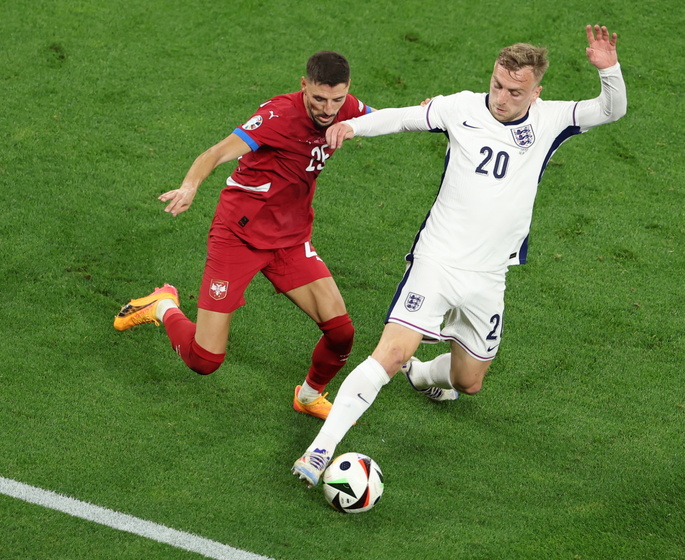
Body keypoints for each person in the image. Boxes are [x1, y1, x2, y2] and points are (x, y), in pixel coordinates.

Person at [292, 25, 627, 486]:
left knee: (469, 381)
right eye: (497, 85)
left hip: (490, 276)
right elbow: (404, 117)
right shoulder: (462, 108)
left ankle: (424, 374)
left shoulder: (552, 119)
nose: (501, 97)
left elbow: (613, 109)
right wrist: (351, 126)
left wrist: (608, 68)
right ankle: (318, 452)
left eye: (514, 91)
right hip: (438, 261)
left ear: (535, 92)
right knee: (389, 353)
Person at [114, 51, 372, 420]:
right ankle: (162, 306)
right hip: (239, 238)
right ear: (304, 86)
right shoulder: (277, 117)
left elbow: (384, 120)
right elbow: (217, 152)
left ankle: (310, 395)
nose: (328, 110)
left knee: (342, 333)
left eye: (337, 99)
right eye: (319, 99)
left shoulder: (344, 107)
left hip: (290, 240)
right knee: (204, 360)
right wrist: (189, 186)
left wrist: (430, 113)